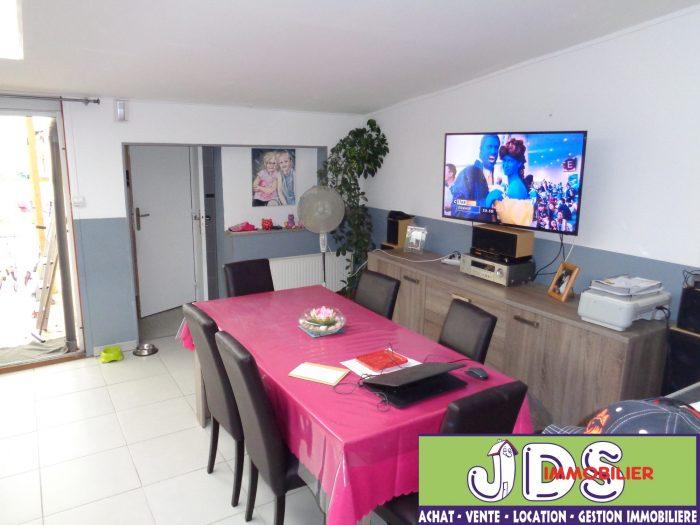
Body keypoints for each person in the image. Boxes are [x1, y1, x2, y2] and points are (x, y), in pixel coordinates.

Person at [450, 134, 501, 219]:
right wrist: (484, 203)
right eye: (489, 147)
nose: (493, 151)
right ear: (481, 150)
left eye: (496, 148)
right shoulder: (468, 172)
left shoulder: (493, 174)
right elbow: (457, 207)